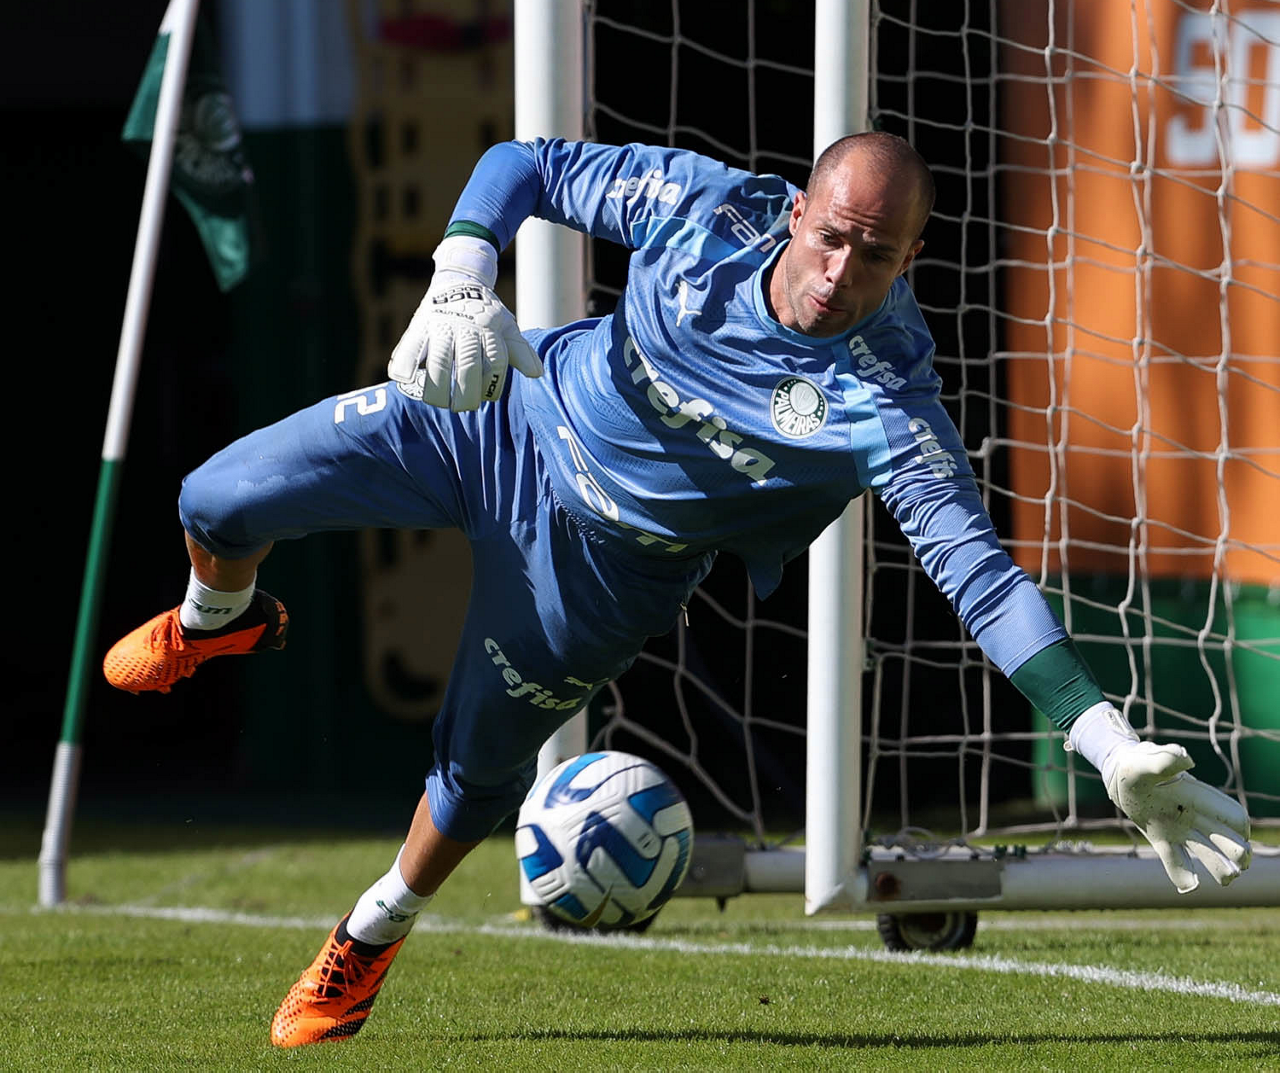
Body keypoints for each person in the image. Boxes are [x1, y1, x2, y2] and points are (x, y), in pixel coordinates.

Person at [103, 133, 1253, 1047]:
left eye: (874, 257)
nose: (839, 274)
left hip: (603, 568)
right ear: (794, 213)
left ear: (909, 260)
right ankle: (220, 619)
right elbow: (526, 164)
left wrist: (1103, 744)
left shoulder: (886, 403)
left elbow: (981, 581)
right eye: (831, 238)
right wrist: (462, 271)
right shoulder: (703, 208)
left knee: (471, 772)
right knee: (217, 497)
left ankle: (367, 937)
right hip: (501, 416)